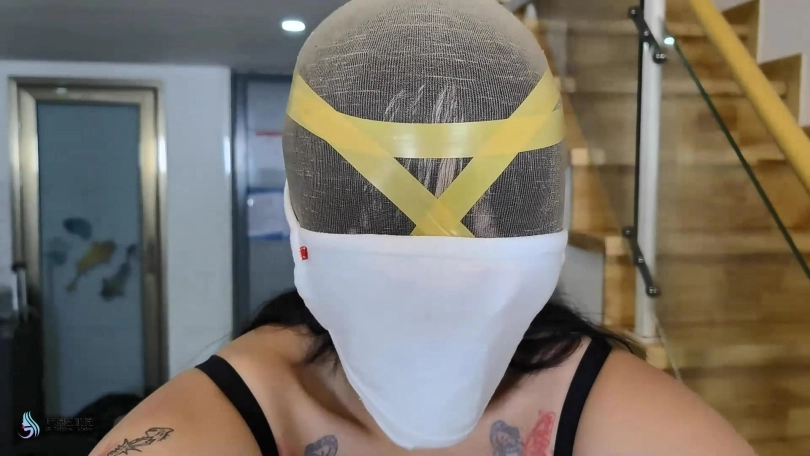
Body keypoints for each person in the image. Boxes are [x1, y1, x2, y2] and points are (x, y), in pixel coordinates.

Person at [89, 0, 757, 455]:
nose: (433, 258)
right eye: (379, 217)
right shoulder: (224, 416)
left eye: (479, 209)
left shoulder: (610, 406)